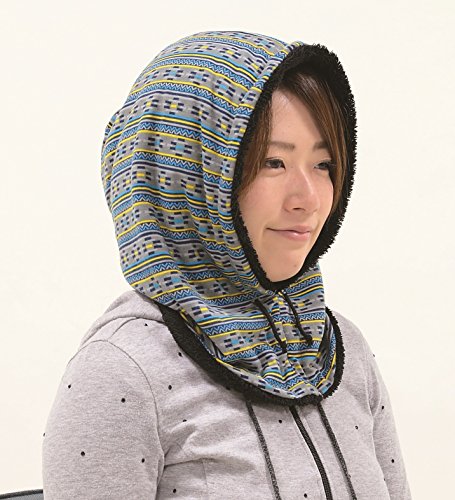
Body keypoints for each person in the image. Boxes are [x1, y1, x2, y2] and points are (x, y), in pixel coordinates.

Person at [42, 30, 412, 499]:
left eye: (323, 165)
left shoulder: (340, 351)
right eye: (273, 162)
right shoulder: (121, 372)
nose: (309, 199)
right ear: (182, 174)